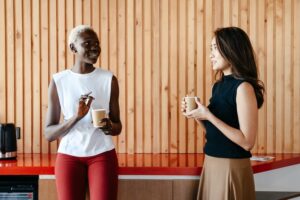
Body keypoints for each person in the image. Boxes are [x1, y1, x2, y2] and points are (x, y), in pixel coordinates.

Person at [182, 27, 264, 200]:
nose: (211, 54)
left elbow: (247, 142)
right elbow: (216, 132)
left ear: (231, 50)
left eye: (215, 49)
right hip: (211, 163)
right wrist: (198, 114)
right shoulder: (217, 86)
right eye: (210, 49)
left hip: (231, 168)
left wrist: (209, 115)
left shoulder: (243, 88)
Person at [45, 25, 122, 200]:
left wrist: (110, 126)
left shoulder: (109, 79)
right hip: (69, 157)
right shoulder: (59, 81)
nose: (94, 47)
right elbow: (49, 134)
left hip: (102, 154)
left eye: (97, 43)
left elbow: (118, 126)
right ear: (73, 48)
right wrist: (77, 117)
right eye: (87, 43)